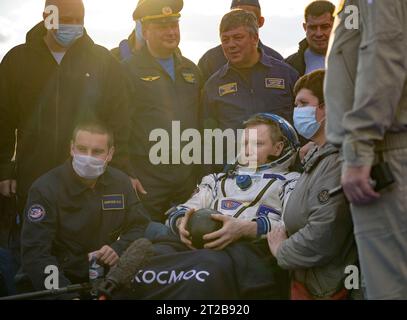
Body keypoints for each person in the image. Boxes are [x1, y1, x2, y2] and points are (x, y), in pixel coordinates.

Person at [118, 113, 300, 300]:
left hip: (245, 251)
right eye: (245, 143)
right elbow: (184, 209)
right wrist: (183, 223)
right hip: (198, 245)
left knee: (205, 272)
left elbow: (290, 226)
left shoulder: (291, 182)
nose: (247, 150)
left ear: (278, 148)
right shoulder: (217, 180)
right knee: (150, 258)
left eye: (257, 144)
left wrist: (243, 229)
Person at [0, 0, 142, 224]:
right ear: (47, 16)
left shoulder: (104, 62)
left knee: (83, 249)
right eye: (66, 20)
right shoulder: (17, 60)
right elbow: (4, 120)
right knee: (35, 247)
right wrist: (4, 169)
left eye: (79, 20)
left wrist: (122, 171)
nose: (74, 26)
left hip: (87, 181)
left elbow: (119, 122)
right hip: (33, 177)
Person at [325, 0, 407, 300]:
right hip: (384, 149)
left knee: (389, 288)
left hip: (385, 155)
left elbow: (383, 54)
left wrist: (359, 150)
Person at [21, 121, 149, 298]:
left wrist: (118, 249)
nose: (88, 157)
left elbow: (140, 225)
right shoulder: (45, 189)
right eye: (82, 149)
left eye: (97, 152)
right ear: (71, 148)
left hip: (107, 280)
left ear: (110, 154)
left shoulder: (120, 182)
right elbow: (36, 254)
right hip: (61, 280)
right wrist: (65, 296)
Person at [267, 69, 359, 300]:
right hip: (312, 280)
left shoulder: (338, 159)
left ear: (328, 107)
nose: (297, 111)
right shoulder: (320, 154)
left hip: (328, 286)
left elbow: (323, 233)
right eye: (295, 104)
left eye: (303, 103)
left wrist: (281, 250)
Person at [123, 0, 202, 223]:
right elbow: (119, 124)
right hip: (147, 177)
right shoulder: (127, 70)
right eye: (161, 27)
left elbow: (201, 123)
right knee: (146, 237)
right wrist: (127, 172)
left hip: (186, 176)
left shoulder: (191, 70)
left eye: (174, 25)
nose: (170, 32)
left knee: (186, 235)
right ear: (145, 31)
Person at [202, 9, 298, 171]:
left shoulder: (287, 75)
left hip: (284, 174)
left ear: (255, 38)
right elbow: (206, 137)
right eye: (225, 40)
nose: (231, 45)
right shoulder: (213, 86)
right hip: (235, 177)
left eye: (238, 37)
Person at [198, 0, 284, 83]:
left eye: (248, 17)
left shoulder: (278, 62)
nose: (240, 20)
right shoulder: (209, 60)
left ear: (260, 22)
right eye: (235, 16)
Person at [285, 1, 335, 76]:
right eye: (313, 27)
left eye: (325, 27)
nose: (319, 34)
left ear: (336, 26)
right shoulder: (289, 65)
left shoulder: (353, 59)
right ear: (305, 27)